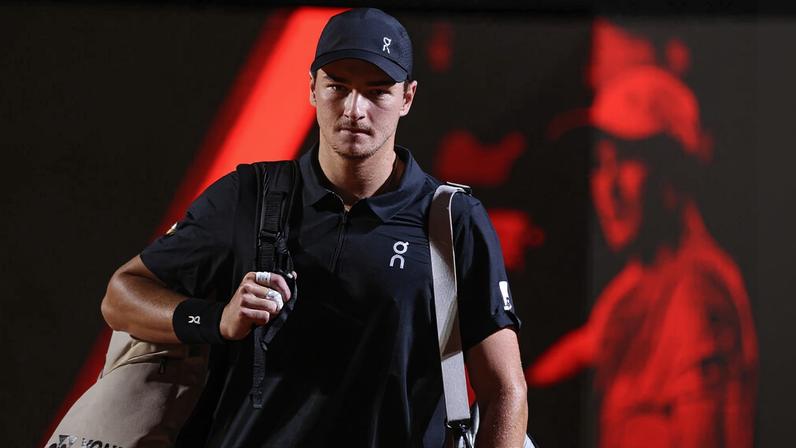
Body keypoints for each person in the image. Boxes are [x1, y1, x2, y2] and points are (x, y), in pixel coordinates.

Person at [101, 8, 527, 447]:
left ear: (407, 98)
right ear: (311, 88)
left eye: (377, 92)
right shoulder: (249, 195)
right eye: (337, 87)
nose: (354, 109)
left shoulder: (451, 218)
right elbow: (121, 295)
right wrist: (216, 319)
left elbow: (506, 391)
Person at [528, 24, 758, 447]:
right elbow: (565, 361)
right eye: (601, 164)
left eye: (629, 162)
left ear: (675, 175)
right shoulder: (636, 287)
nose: (609, 188)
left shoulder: (698, 295)